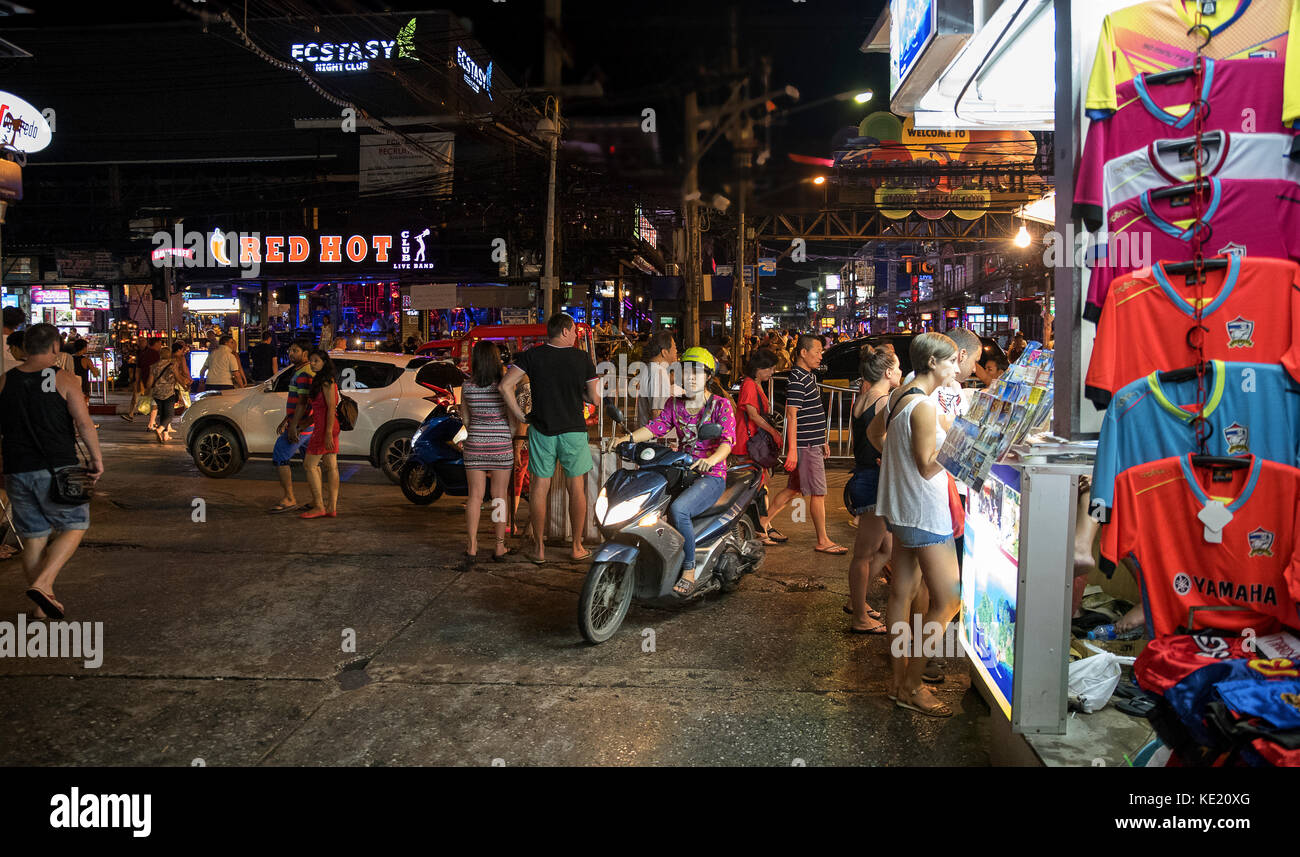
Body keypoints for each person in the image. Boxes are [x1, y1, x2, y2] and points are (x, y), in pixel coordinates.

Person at [869, 333, 963, 717]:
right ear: (932, 364)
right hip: (926, 513)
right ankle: (912, 686)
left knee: (900, 595)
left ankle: (896, 682)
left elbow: (877, 435)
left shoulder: (899, 395)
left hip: (901, 510)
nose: (957, 369)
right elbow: (927, 465)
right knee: (950, 601)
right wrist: (959, 448)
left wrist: (896, 462)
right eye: (952, 362)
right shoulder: (922, 406)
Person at [610, 347, 736, 594]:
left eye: (697, 373)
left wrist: (710, 461)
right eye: (686, 372)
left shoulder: (721, 406)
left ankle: (689, 571)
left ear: (708, 376)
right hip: (679, 469)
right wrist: (627, 439)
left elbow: (727, 443)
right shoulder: (674, 404)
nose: (690, 377)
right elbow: (655, 427)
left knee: (679, 510)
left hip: (709, 475)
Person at [0, 323, 104, 620]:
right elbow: (83, 423)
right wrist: (97, 458)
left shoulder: (5, 381)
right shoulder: (65, 379)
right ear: (56, 348)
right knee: (75, 524)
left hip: (17, 469)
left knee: (33, 537)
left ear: (25, 347)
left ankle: (40, 605)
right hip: (58, 466)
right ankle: (44, 584)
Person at [499, 312, 600, 565]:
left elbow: (504, 386)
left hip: (541, 430)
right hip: (573, 430)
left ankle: (539, 549)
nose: (576, 334)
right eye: (574, 330)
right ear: (564, 331)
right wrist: (583, 397)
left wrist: (521, 415)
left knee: (539, 488)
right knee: (575, 487)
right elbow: (595, 399)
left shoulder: (532, 355)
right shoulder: (582, 358)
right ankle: (577, 547)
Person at [767, 334, 847, 555]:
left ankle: (762, 524)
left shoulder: (808, 376)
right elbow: (792, 416)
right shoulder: (797, 379)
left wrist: (823, 440)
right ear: (803, 352)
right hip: (806, 446)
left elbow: (812, 414)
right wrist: (792, 451)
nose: (821, 356)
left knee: (793, 489)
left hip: (813, 443)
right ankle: (823, 540)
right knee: (818, 493)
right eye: (818, 351)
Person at [844, 344, 901, 634]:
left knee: (886, 547)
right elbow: (885, 440)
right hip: (873, 481)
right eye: (899, 368)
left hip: (866, 478)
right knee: (864, 554)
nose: (901, 373)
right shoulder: (883, 402)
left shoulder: (865, 397)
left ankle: (859, 600)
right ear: (889, 372)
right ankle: (859, 616)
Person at [460, 340, 521, 563]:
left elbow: (465, 418)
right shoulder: (504, 385)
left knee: (475, 496)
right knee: (499, 497)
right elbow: (513, 419)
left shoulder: (467, 386)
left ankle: (472, 546)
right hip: (501, 444)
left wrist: (477, 430)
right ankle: (498, 546)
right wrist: (507, 435)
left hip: (475, 443)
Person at [733, 348, 787, 545]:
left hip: (753, 442)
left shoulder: (754, 384)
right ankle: (761, 530)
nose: (772, 373)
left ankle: (764, 527)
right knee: (758, 485)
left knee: (762, 483)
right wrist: (774, 432)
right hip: (748, 443)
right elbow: (753, 415)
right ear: (759, 368)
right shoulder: (749, 385)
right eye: (770, 369)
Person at [270, 338, 315, 513]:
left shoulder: (304, 373)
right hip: (305, 425)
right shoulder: (301, 371)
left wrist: (294, 426)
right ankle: (316, 499)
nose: (290, 353)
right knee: (310, 464)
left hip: (302, 426)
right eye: (290, 350)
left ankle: (289, 498)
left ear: (305, 354)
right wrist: (286, 420)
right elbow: (297, 400)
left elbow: (303, 402)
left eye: (295, 350)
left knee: (280, 454)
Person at [296, 349, 340, 519]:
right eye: (311, 360)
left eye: (316, 361)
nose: (312, 363)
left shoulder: (327, 382)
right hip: (325, 426)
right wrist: (304, 424)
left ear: (324, 363)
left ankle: (319, 506)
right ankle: (331, 507)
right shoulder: (322, 381)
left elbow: (331, 408)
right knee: (331, 465)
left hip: (325, 428)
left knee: (309, 465)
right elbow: (321, 410)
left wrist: (327, 433)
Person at [636, 329, 678, 428]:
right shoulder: (658, 373)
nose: (676, 351)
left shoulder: (651, 369)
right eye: (674, 347)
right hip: (656, 439)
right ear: (664, 352)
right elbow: (657, 413)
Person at [123, 338, 162, 423]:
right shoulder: (152, 354)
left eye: (142, 342)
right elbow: (140, 367)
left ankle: (133, 414)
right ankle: (150, 421)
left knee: (150, 399)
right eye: (159, 344)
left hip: (146, 379)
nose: (160, 346)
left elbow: (139, 368)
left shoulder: (148, 353)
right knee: (150, 400)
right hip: (148, 379)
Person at [147, 347, 181, 443]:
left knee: (162, 414)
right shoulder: (172, 365)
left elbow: (149, 382)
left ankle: (165, 435)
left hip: (157, 393)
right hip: (169, 392)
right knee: (170, 414)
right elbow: (177, 376)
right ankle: (160, 429)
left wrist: (147, 388)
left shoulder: (154, 366)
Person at [70, 340, 98, 406]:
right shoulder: (86, 360)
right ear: (84, 348)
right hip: (83, 387)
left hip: (71, 385)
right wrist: (95, 369)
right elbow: (95, 374)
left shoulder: (69, 358)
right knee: (83, 407)